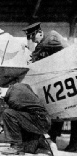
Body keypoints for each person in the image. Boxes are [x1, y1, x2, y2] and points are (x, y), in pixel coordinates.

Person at [23, 22, 77, 152]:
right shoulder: (45, 45)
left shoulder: (51, 37)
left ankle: (74, 144)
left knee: (73, 113)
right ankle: (53, 140)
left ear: (40, 33)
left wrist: (32, 54)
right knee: (57, 113)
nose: (33, 41)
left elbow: (37, 53)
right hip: (62, 81)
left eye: (32, 38)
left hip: (69, 79)